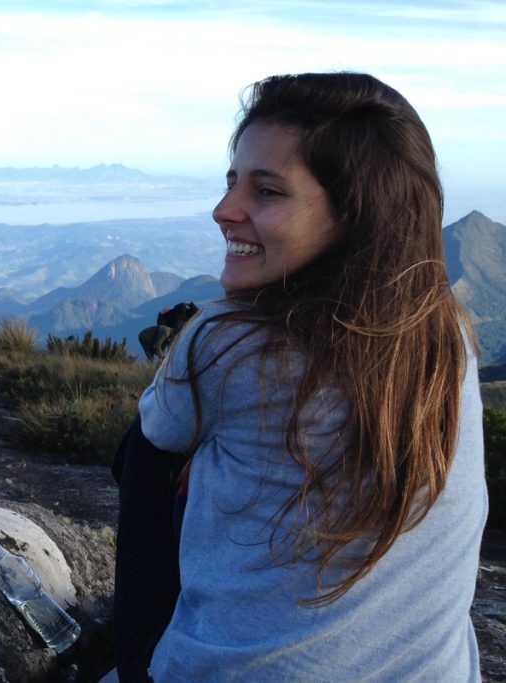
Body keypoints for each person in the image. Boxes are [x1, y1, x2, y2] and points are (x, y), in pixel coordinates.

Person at [111, 73, 487, 681]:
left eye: (267, 192)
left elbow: (145, 455)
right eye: (232, 181)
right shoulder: (449, 337)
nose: (224, 210)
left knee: (146, 450)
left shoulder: (225, 340)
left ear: (355, 213)